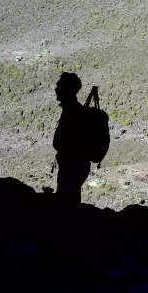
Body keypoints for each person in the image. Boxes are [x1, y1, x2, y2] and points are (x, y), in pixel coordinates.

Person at [53, 72, 90, 204]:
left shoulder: (72, 112)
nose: (56, 89)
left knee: (68, 202)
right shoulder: (72, 109)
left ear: (67, 89)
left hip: (71, 166)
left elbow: (69, 143)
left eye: (59, 86)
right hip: (74, 166)